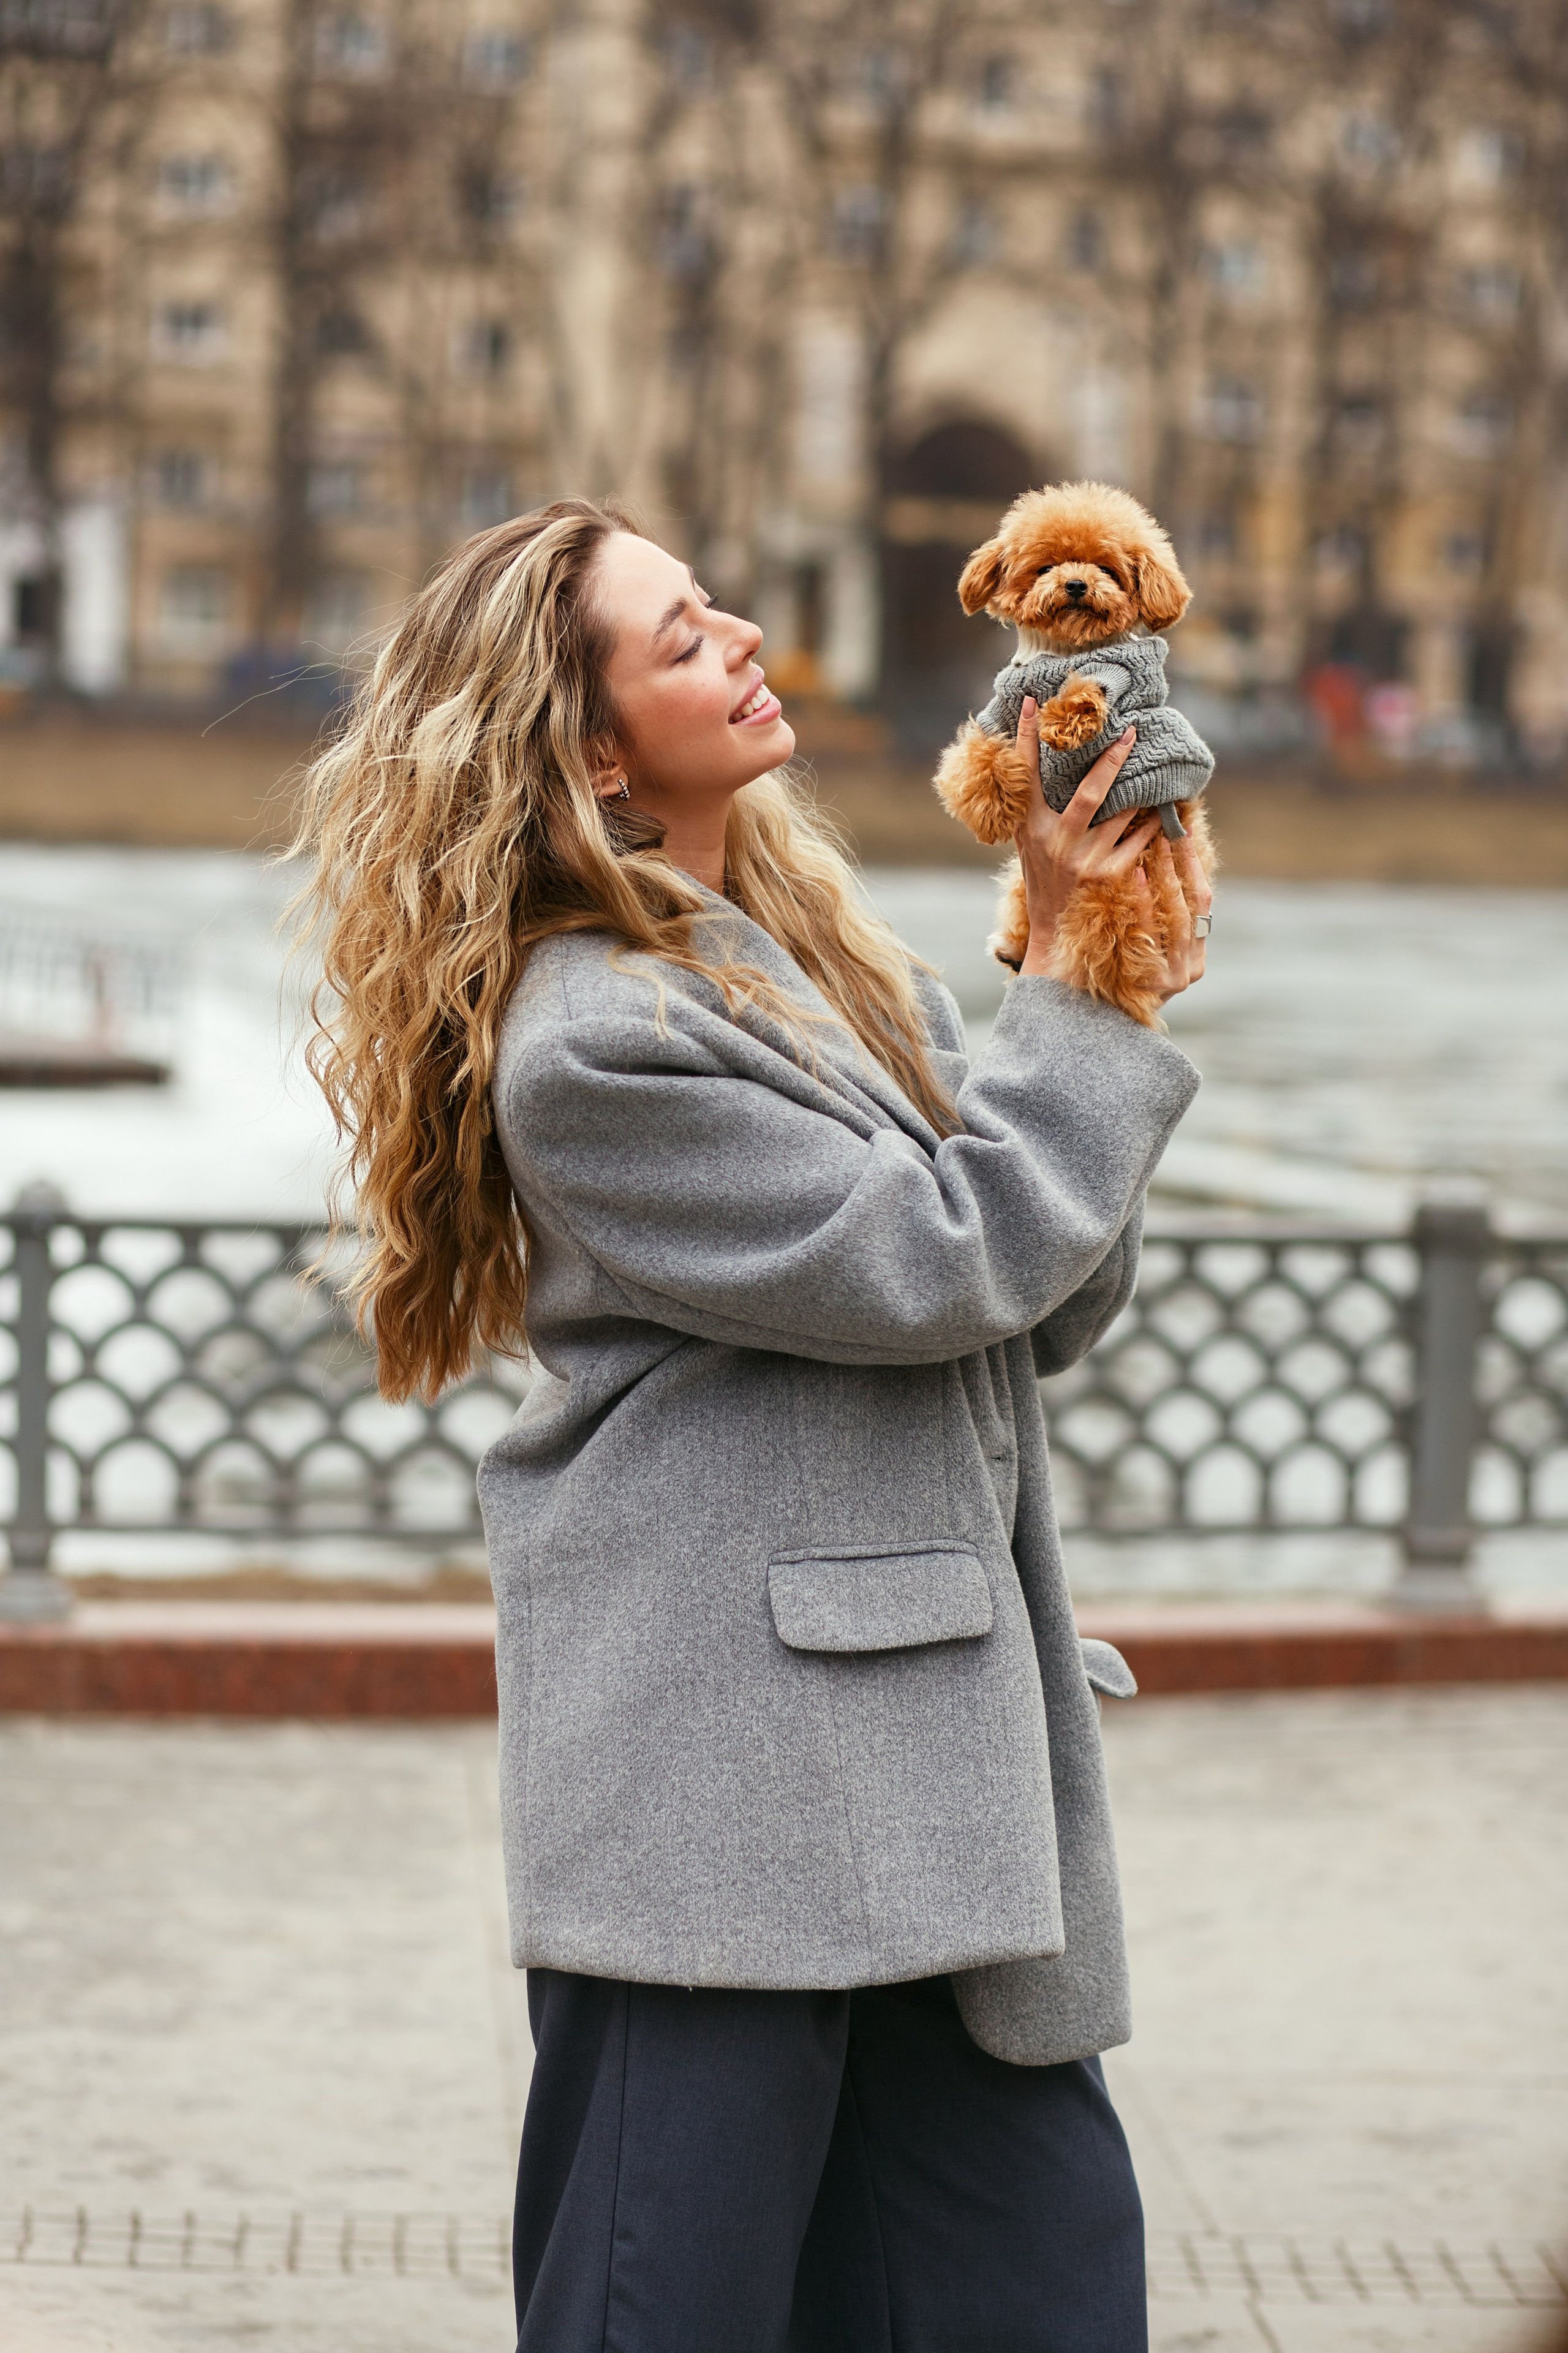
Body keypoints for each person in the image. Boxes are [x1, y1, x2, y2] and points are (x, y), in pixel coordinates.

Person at [293, 496, 1211, 2352]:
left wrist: (1092, 961)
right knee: (672, 2312)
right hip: (719, 1799)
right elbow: (945, 1261)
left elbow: (1049, 1288)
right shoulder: (592, 1041)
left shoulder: (830, 969)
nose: (735, 636)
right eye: (675, 631)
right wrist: (1054, 998)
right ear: (590, 740)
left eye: (717, 600)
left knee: (1039, 2293)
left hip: (929, 1784)